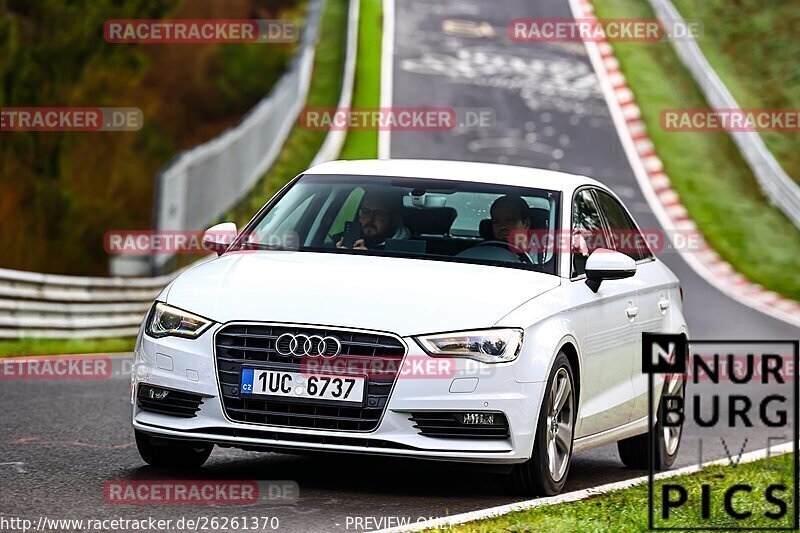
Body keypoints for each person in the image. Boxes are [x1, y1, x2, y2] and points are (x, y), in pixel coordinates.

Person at [336, 189, 411, 250]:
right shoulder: (341, 241)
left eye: (378, 214)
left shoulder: (408, 249)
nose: (370, 219)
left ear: (395, 220)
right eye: (366, 212)